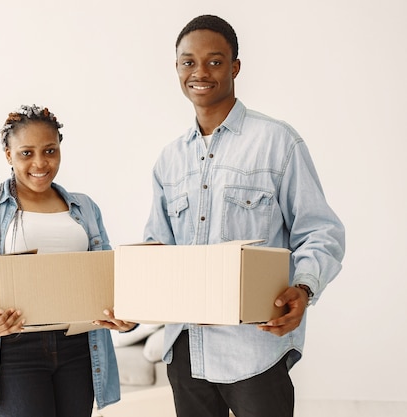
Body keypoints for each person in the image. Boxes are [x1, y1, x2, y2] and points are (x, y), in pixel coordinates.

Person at [143, 15, 346, 417]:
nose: (200, 72)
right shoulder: (169, 160)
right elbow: (156, 246)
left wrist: (303, 289)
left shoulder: (277, 142)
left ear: (235, 67)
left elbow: (321, 231)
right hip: (186, 351)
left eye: (214, 61)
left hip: (254, 350)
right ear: (177, 69)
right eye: (188, 62)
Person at [0, 104, 134, 417]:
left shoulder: (85, 207)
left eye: (50, 151)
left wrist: (130, 315)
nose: (40, 163)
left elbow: (109, 276)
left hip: (81, 348)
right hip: (16, 349)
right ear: (8, 154)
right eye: (26, 153)